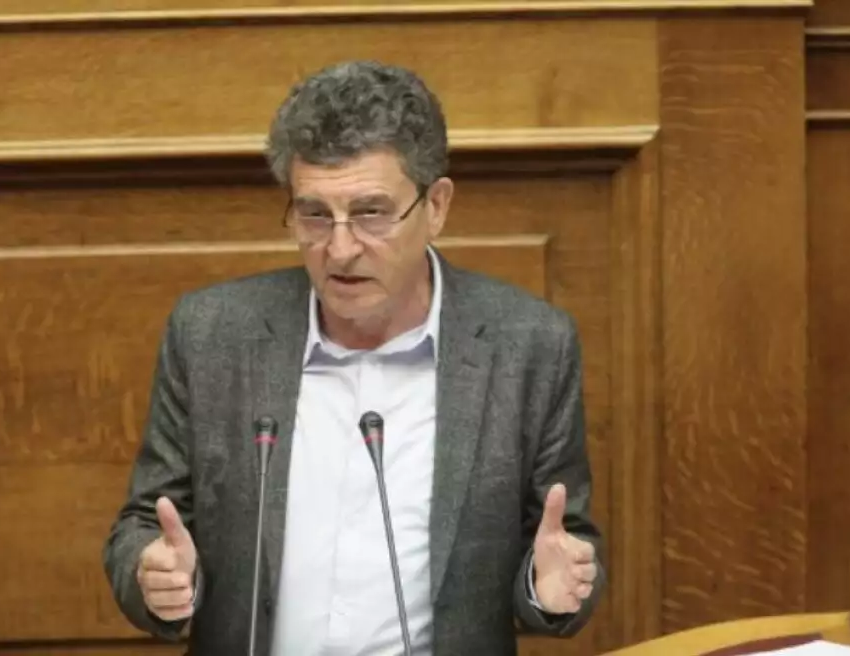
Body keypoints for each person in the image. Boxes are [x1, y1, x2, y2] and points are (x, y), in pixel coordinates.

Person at [103, 60, 604, 655]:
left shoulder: (529, 345)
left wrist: (547, 588)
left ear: (436, 206)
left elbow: (562, 544)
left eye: (371, 213)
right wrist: (153, 574)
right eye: (315, 214)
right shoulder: (211, 335)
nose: (340, 249)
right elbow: (144, 525)